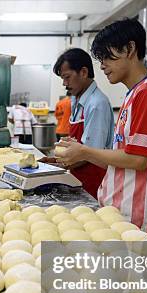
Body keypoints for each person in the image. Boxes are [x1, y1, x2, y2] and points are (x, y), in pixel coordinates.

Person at [56, 19, 147, 235]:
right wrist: (81, 149)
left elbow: (139, 160)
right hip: (116, 209)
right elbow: (123, 152)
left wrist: (84, 151)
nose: (101, 66)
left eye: (106, 56)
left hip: (130, 216)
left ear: (130, 49)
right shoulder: (134, 95)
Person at [49, 48, 114, 199]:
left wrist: (58, 166)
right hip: (79, 178)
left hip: (94, 182)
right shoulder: (77, 100)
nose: (65, 84)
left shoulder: (96, 104)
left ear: (83, 72)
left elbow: (90, 153)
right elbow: (78, 145)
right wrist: (55, 159)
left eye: (67, 77)